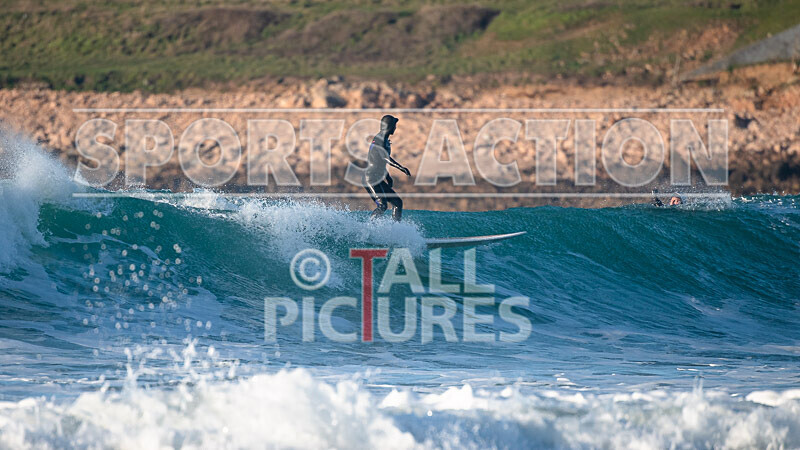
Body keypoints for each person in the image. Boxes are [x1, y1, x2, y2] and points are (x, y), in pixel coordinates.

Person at [363, 115, 411, 221]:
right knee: (382, 206)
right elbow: (385, 158)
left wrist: (387, 176)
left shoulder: (385, 140)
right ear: (389, 126)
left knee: (397, 203)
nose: (395, 128)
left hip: (378, 178)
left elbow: (378, 162)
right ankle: (369, 230)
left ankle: (396, 230)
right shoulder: (379, 139)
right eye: (394, 125)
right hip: (370, 179)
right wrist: (401, 167)